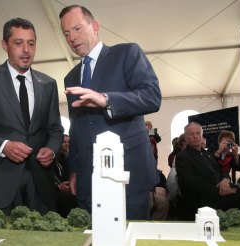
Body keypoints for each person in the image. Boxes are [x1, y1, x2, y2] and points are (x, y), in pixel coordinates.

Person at [59, 5, 162, 220]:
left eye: (77, 29)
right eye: (66, 33)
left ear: (95, 26)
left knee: (130, 242)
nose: (72, 38)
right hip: (88, 180)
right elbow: (76, 127)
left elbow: (152, 96)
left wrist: (106, 99)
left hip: (128, 175)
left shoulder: (126, 53)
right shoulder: (71, 77)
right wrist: (75, 170)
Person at [0, 18, 63, 215]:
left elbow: (55, 129)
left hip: (41, 187)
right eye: (18, 43)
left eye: (31, 43)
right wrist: (3, 146)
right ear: (4, 45)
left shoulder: (48, 84)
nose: (26, 49)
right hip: (0, 186)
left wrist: (52, 148)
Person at [175, 122, 240, 222]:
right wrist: (222, 190)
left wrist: (225, 180)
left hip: (221, 192)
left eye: (198, 133)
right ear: (186, 137)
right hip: (207, 199)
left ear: (202, 135)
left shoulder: (206, 153)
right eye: (191, 134)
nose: (195, 136)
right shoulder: (183, 156)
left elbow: (221, 170)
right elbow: (192, 183)